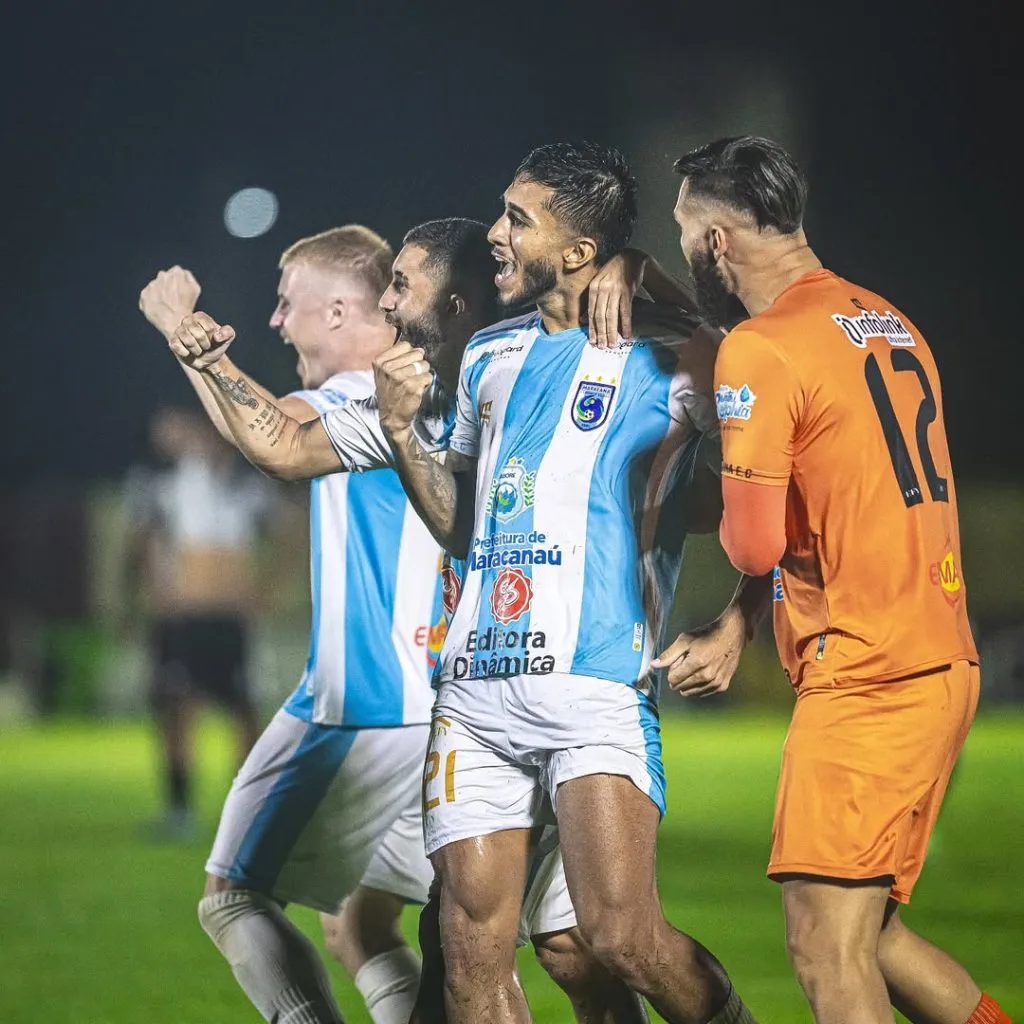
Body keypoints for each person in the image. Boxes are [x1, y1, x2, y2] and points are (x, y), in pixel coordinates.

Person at [148, 219, 661, 1024]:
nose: (277, 322)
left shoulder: (369, 395)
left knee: (232, 898)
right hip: (466, 704)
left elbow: (272, 436)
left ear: (343, 314)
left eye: (289, 305)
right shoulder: (467, 384)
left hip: (372, 701)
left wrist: (184, 329)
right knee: (399, 927)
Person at [372, 141, 766, 1024]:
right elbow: (464, 531)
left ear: (580, 251)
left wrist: (740, 617)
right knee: (473, 947)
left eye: (519, 219)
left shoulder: (681, 361)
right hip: (474, 695)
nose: (497, 233)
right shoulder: (488, 358)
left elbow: (772, 429)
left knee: (618, 938)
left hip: (596, 686)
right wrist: (403, 435)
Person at [671, 135, 1010, 1024]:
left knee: (826, 949)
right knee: (875, 940)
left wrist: (698, 448)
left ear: (715, 242)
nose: (681, 247)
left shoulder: (762, 348)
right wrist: (744, 625)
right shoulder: (885, 319)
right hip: (939, 661)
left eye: (681, 229)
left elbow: (751, 546)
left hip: (867, 675)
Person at [121, 405, 272, 840]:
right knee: (177, 707)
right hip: (182, 616)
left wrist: (267, 591)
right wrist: (150, 594)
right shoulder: (158, 483)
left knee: (243, 709)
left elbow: (286, 530)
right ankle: (179, 809)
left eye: (175, 424)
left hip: (228, 616)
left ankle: (249, 810)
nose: (164, 434)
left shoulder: (243, 480)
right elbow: (142, 542)